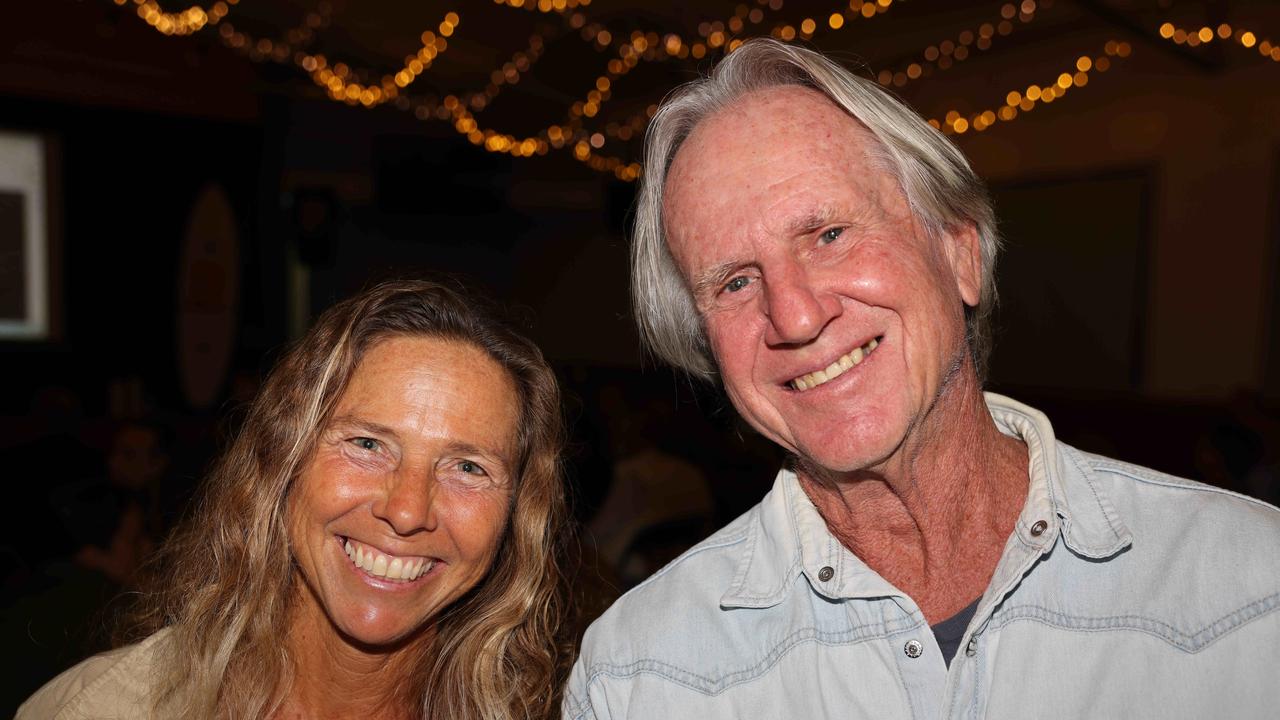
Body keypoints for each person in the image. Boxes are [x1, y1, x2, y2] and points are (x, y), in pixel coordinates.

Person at [564, 38, 1280, 719]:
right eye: (735, 282)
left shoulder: (1248, 595)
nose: (795, 316)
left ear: (960, 253)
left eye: (829, 234)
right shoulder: (638, 676)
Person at [20, 279, 568, 720]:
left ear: (516, 515)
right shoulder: (99, 709)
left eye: (468, 467)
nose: (406, 511)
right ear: (284, 459)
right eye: (367, 444)